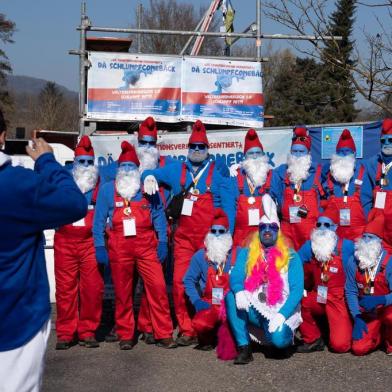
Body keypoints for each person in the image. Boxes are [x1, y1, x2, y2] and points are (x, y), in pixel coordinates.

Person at [0, 110, 87, 391]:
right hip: (15, 323)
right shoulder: (16, 185)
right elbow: (73, 203)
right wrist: (47, 162)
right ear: (2, 137)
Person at [142, 120, 235, 346]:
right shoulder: (176, 170)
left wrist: (225, 237)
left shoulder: (217, 173)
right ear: (187, 148)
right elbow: (150, 172)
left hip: (207, 242)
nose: (196, 150)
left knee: (208, 286)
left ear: (207, 150)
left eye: (201, 147)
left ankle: (207, 326)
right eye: (193, 146)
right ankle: (187, 329)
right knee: (181, 282)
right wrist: (148, 176)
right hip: (183, 240)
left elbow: (228, 209)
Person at [93, 141, 176, 349]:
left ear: (137, 168)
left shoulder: (147, 187)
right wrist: (99, 246)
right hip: (119, 247)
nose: (128, 171)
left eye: (131, 167)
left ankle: (163, 332)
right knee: (123, 292)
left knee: (157, 287)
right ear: (118, 169)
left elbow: (158, 215)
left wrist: (163, 241)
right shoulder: (106, 190)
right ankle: (126, 334)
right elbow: (98, 221)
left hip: (146, 245)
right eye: (124, 167)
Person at [225, 195, 304, 364]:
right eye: (263, 227)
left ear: (278, 230)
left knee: (278, 340)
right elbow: (237, 274)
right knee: (231, 296)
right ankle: (244, 347)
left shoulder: (291, 256)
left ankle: (282, 340)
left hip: (282, 309)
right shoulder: (247, 252)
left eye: (272, 227)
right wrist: (239, 290)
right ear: (258, 230)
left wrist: (282, 315)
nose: (267, 231)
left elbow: (297, 290)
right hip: (256, 305)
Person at [53, 136, 104, 350]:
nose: (85, 166)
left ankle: (88, 331)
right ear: (74, 162)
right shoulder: (61, 181)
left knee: (92, 288)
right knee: (65, 289)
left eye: (89, 162)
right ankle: (66, 332)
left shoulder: (100, 184)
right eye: (81, 161)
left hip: (89, 243)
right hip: (65, 241)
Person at [296, 208, 354, 353]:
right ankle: (313, 338)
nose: (322, 229)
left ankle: (346, 325)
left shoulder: (345, 246)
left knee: (340, 346)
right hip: (318, 295)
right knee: (300, 301)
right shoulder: (310, 245)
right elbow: (294, 262)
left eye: (327, 225)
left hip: (338, 298)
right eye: (319, 225)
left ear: (335, 227)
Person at [183, 209, 237, 350]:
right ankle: (209, 335)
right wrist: (196, 301)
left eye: (221, 231)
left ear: (228, 233)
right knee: (201, 323)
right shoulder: (200, 256)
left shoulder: (238, 254)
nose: (217, 235)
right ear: (209, 233)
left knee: (232, 336)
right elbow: (188, 280)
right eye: (214, 231)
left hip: (231, 303)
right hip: (209, 304)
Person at [271, 126, 325, 251]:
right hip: (288, 231)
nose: (298, 155)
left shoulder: (318, 172)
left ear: (308, 154)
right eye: (294, 151)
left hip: (310, 231)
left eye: (301, 151)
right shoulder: (281, 172)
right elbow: (273, 194)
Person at [345, 213, 392, 356]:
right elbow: (350, 291)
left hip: (387, 308)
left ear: (379, 241)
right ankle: (377, 336)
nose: (365, 241)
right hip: (368, 312)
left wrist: (382, 300)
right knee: (359, 349)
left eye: (370, 237)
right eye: (364, 236)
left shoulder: (389, 262)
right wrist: (356, 316)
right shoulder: (354, 260)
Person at [323, 129, 373, 241]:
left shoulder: (364, 173)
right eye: (340, 152)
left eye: (347, 151)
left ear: (354, 154)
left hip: (359, 235)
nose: (344, 155)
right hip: (336, 235)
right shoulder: (329, 176)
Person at [230, 129, 272, 246]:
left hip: (265, 237)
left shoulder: (272, 176)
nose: (255, 157)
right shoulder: (235, 177)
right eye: (251, 153)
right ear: (245, 157)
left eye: (258, 153)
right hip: (240, 239)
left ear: (263, 155)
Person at [365, 118, 392, 252]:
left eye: (390, 140)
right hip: (378, 224)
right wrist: (369, 219)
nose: (387, 144)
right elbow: (365, 196)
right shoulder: (373, 164)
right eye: (383, 141)